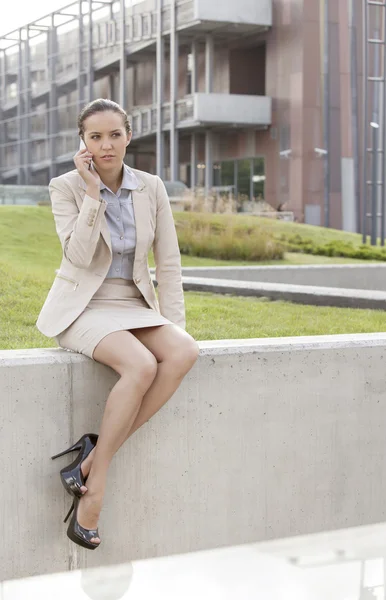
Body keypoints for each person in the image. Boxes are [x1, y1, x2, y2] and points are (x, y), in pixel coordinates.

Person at [36, 98, 200, 550]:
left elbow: (168, 264)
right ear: (83, 144)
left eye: (114, 134)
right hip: (83, 306)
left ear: (129, 136)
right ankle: (96, 486)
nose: (106, 145)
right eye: (95, 137)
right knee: (141, 366)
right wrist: (92, 192)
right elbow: (79, 256)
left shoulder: (151, 188)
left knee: (184, 351)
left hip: (134, 304)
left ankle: (89, 460)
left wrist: (175, 327)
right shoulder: (65, 186)